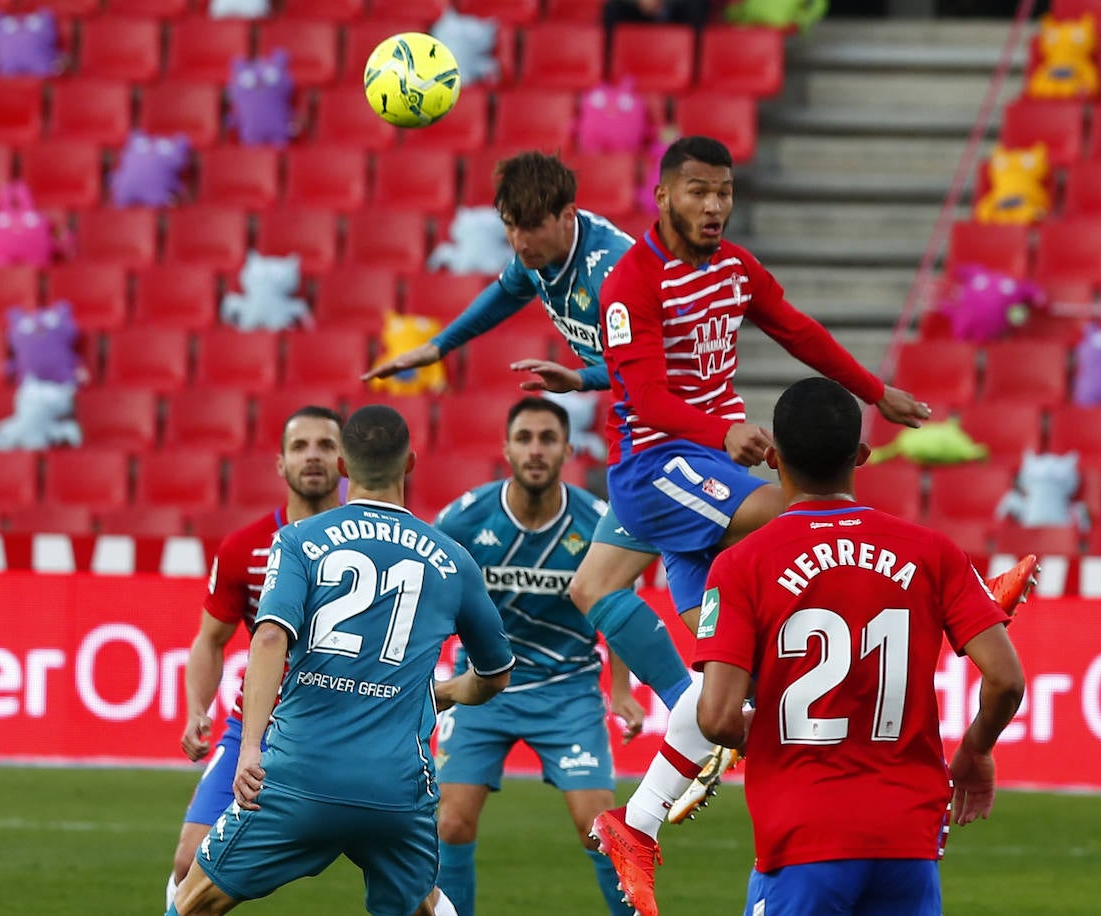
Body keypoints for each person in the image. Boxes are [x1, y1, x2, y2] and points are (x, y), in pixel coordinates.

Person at [589, 135, 1037, 915]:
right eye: (697, 192)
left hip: (711, 464)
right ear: (661, 196)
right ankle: (954, 597)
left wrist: (875, 389)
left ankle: (637, 822)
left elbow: (794, 328)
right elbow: (645, 396)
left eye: (723, 191)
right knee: (795, 520)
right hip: (660, 468)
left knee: (725, 677)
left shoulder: (733, 268)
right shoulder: (631, 284)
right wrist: (719, 434)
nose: (714, 207)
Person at [361, 151, 693, 746]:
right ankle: (702, 708)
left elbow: (654, 372)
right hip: (640, 435)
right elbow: (507, 293)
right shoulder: (539, 260)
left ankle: (711, 706)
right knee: (601, 588)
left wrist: (580, 377)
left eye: (530, 226)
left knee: (652, 588)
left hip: (680, 429)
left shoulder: (614, 272)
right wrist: (437, 348)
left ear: (568, 215)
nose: (518, 240)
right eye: (510, 226)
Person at [695, 377, 1027, 915]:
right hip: (906, 841)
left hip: (802, 835)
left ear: (773, 459)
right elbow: (1006, 678)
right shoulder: (933, 552)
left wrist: (776, 732)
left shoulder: (741, 565)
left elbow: (716, 717)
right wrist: (975, 750)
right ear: (863, 455)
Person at [168, 404, 516, 916]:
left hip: (300, 775)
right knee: (424, 905)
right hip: (397, 785)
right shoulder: (453, 559)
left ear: (344, 467)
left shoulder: (298, 541)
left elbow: (268, 641)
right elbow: (495, 674)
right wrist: (443, 693)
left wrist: (250, 751)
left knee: (192, 902)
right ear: (411, 463)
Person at [432, 397, 643, 916]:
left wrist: (620, 690)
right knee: (450, 822)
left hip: (567, 690)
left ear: (568, 449)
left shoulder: (597, 523)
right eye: (524, 437)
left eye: (547, 438)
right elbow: (428, 603)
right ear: (505, 448)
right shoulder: (462, 520)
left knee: (600, 828)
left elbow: (621, 606)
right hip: (482, 689)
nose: (535, 449)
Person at [165, 405, 344, 908]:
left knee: (412, 884)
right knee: (188, 862)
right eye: (300, 446)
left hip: (347, 728)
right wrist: (197, 708)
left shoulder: (374, 544)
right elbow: (210, 640)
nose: (313, 457)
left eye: (326, 446)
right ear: (281, 464)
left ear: (345, 461)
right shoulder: (244, 547)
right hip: (257, 728)